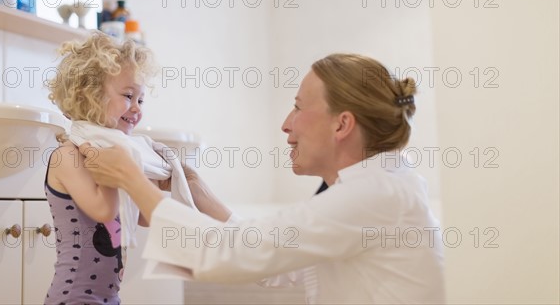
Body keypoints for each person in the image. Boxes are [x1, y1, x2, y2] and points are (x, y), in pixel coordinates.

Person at [79, 53, 446, 304]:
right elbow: (283, 263)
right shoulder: (384, 186)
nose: (286, 124)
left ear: (342, 124)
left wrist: (131, 179)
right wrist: (201, 195)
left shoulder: (374, 196)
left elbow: (233, 254)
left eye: (299, 107)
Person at [44, 33, 161, 304]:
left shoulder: (118, 152)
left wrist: (144, 171)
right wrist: (117, 161)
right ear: (90, 95)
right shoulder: (68, 156)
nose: (136, 108)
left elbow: (145, 217)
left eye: (141, 100)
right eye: (128, 96)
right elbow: (104, 210)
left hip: (110, 296)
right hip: (73, 295)